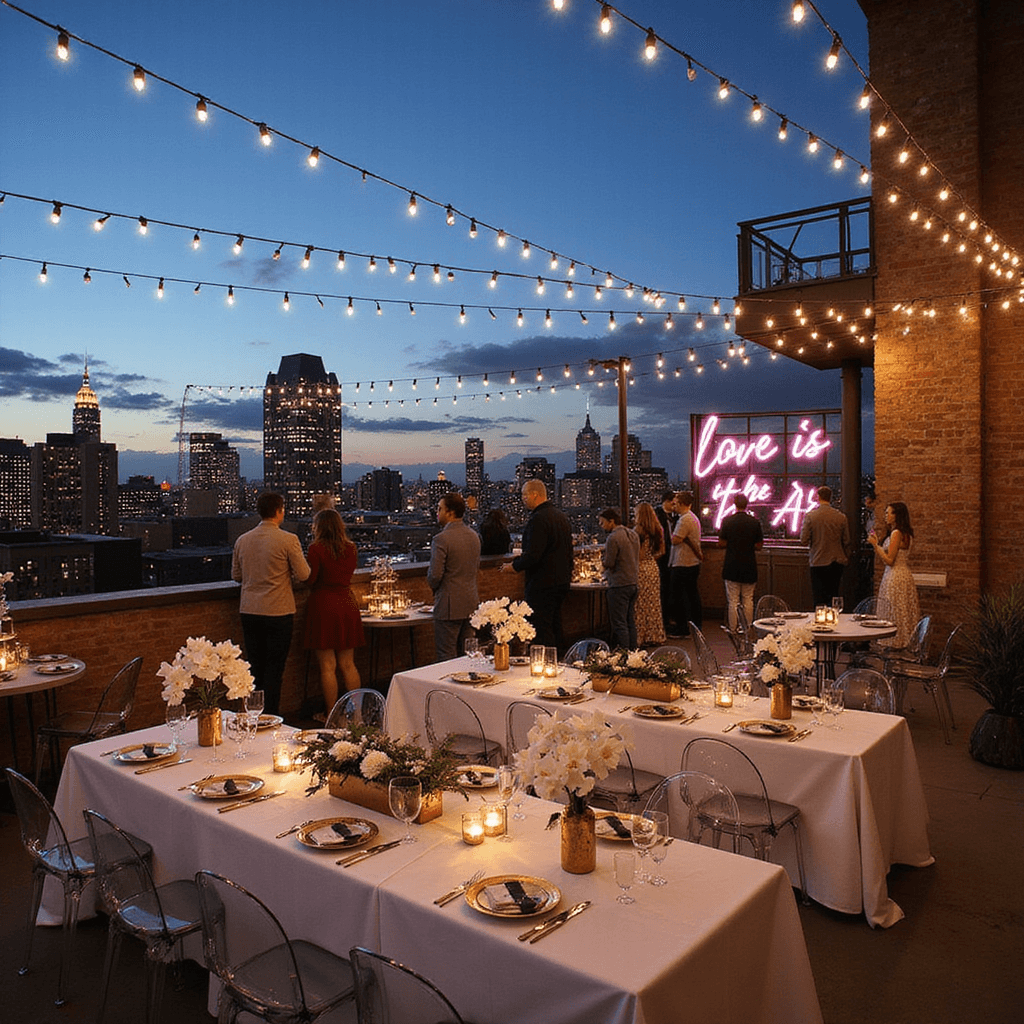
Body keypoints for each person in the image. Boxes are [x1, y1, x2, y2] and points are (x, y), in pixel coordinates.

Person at [231, 492, 310, 716]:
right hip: (278, 611)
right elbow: (304, 574)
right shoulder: (288, 540)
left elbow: (236, 575)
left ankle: (254, 715)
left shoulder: (243, 540)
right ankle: (272, 716)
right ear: (279, 511)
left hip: (250, 611)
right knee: (275, 669)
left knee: (254, 667)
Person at [302, 508, 366, 716]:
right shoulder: (351, 548)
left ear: (319, 527)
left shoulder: (316, 549)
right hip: (347, 603)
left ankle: (331, 714)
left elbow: (311, 579)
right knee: (348, 664)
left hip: (323, 605)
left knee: (327, 666)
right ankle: (357, 714)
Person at [500, 479, 573, 649]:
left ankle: (544, 660)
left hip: (543, 583)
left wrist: (514, 566)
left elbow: (533, 555)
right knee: (555, 624)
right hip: (561, 581)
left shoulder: (538, 519)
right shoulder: (560, 516)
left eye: (524, 495)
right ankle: (558, 658)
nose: (522, 499)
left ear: (535, 495)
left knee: (541, 628)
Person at [427, 492, 482, 661]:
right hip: (471, 603)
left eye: (440, 509)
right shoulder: (474, 536)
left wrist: (435, 589)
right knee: (468, 654)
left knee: (447, 655)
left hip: (449, 606)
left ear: (450, 512)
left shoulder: (441, 539)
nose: (437, 512)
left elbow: (435, 575)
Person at [868, 501, 921, 648]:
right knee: (902, 611)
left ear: (897, 515)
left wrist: (875, 546)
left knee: (894, 611)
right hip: (904, 575)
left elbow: (890, 560)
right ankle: (905, 642)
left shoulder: (896, 533)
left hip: (894, 576)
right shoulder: (905, 533)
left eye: (889, 513)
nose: (886, 516)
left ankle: (895, 643)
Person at [718, 493, 764, 632]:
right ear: (747, 504)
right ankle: (747, 628)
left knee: (733, 600)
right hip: (749, 565)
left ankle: (732, 628)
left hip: (731, 565)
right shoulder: (754, 522)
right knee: (748, 599)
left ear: (734, 504)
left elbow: (721, 543)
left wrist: (733, 543)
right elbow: (759, 545)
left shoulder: (727, 521)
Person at [799, 485, 851, 606]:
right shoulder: (841, 517)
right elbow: (847, 540)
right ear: (830, 498)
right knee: (833, 594)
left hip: (818, 560)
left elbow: (804, 540)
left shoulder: (811, 516)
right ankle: (834, 616)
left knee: (819, 597)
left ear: (818, 497)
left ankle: (820, 617)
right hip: (837, 561)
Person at [598, 508, 640, 650]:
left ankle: (624, 653)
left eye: (602, 522)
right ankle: (634, 652)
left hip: (619, 584)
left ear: (611, 521)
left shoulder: (613, 538)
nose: (601, 526)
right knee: (630, 621)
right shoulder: (633, 534)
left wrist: (601, 561)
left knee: (619, 623)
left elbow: (610, 563)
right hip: (633, 582)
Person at [668, 491, 703, 636]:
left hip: (683, 562)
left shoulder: (684, 520)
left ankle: (682, 627)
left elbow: (675, 540)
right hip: (692, 562)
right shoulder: (693, 518)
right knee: (692, 595)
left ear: (682, 504)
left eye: (676, 503)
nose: (674, 506)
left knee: (679, 596)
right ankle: (695, 625)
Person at [633, 502, 666, 646]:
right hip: (653, 567)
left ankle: (641, 636)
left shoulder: (638, 531)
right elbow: (662, 551)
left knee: (640, 605)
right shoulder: (658, 529)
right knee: (653, 604)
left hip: (641, 569)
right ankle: (655, 635)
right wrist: (651, 557)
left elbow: (638, 555)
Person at [655, 490, 677, 633]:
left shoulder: (673, 517)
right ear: (667, 502)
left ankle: (668, 617)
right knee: (664, 588)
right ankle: (664, 619)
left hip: (670, 556)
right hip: (663, 557)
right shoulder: (659, 515)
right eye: (673, 503)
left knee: (669, 588)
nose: (675, 506)